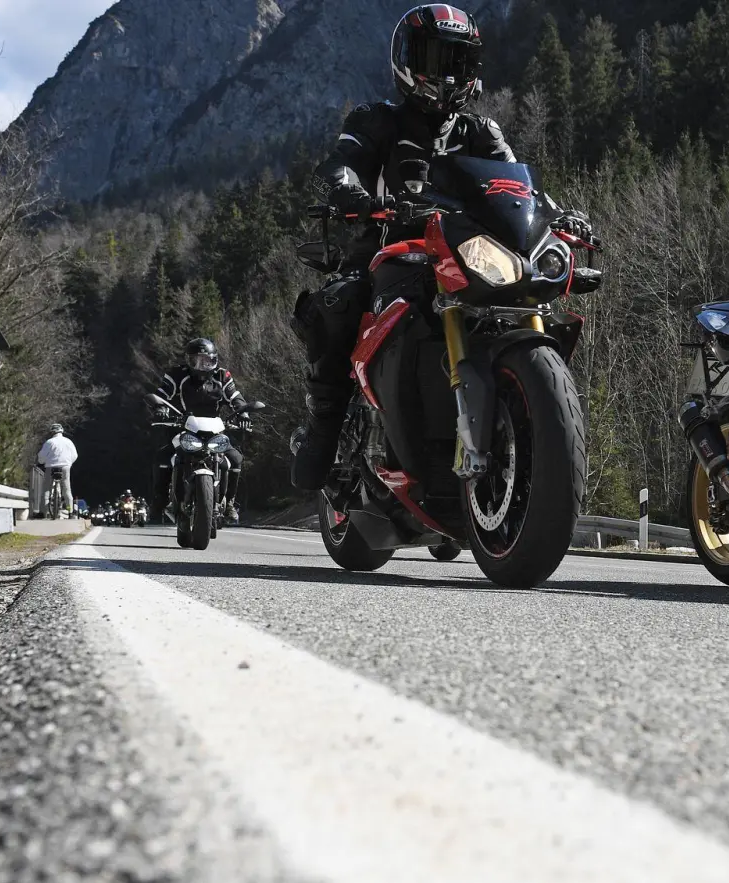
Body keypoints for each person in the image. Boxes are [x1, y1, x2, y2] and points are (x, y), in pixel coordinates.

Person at [288, 3, 592, 491]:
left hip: (461, 254)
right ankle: (325, 423)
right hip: (389, 251)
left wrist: (555, 216)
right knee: (340, 303)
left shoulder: (481, 131)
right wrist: (351, 194)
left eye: (458, 61)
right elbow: (342, 162)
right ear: (407, 61)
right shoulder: (377, 119)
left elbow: (519, 191)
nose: (447, 74)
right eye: (435, 59)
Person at [151, 338, 252, 523]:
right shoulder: (176, 375)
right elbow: (162, 394)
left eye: (207, 361)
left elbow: (235, 396)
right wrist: (160, 409)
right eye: (196, 361)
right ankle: (161, 501)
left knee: (235, 458)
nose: (202, 365)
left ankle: (229, 503)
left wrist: (243, 414)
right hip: (184, 427)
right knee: (163, 457)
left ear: (214, 360)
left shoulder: (223, 376)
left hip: (214, 430)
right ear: (188, 361)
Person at [35, 424, 78, 518]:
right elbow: (75, 455)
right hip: (65, 467)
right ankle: (70, 511)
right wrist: (69, 464)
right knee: (66, 489)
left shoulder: (49, 442)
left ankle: (43, 513)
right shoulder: (68, 442)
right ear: (61, 431)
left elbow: (41, 456)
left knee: (46, 490)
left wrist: (42, 462)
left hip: (51, 467)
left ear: (52, 432)